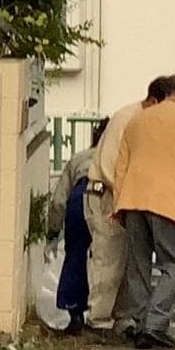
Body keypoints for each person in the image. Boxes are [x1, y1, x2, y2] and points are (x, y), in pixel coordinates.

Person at [114, 74, 175, 348]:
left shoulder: (137, 120)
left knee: (137, 267)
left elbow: (120, 167)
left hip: (132, 200)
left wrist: (119, 204)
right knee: (171, 266)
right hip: (166, 201)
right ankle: (155, 324)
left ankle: (140, 323)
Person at [84, 76, 169, 332]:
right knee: (108, 259)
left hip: (126, 197)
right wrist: (127, 197)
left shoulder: (141, 119)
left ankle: (121, 319)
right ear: (154, 101)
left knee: (124, 261)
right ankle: (98, 321)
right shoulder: (127, 118)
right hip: (107, 195)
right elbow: (111, 166)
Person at [47, 119, 109, 332]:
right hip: (106, 196)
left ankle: (74, 313)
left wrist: (53, 232)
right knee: (110, 258)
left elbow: (58, 200)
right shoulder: (118, 158)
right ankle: (106, 315)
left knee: (75, 255)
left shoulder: (78, 158)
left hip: (79, 195)